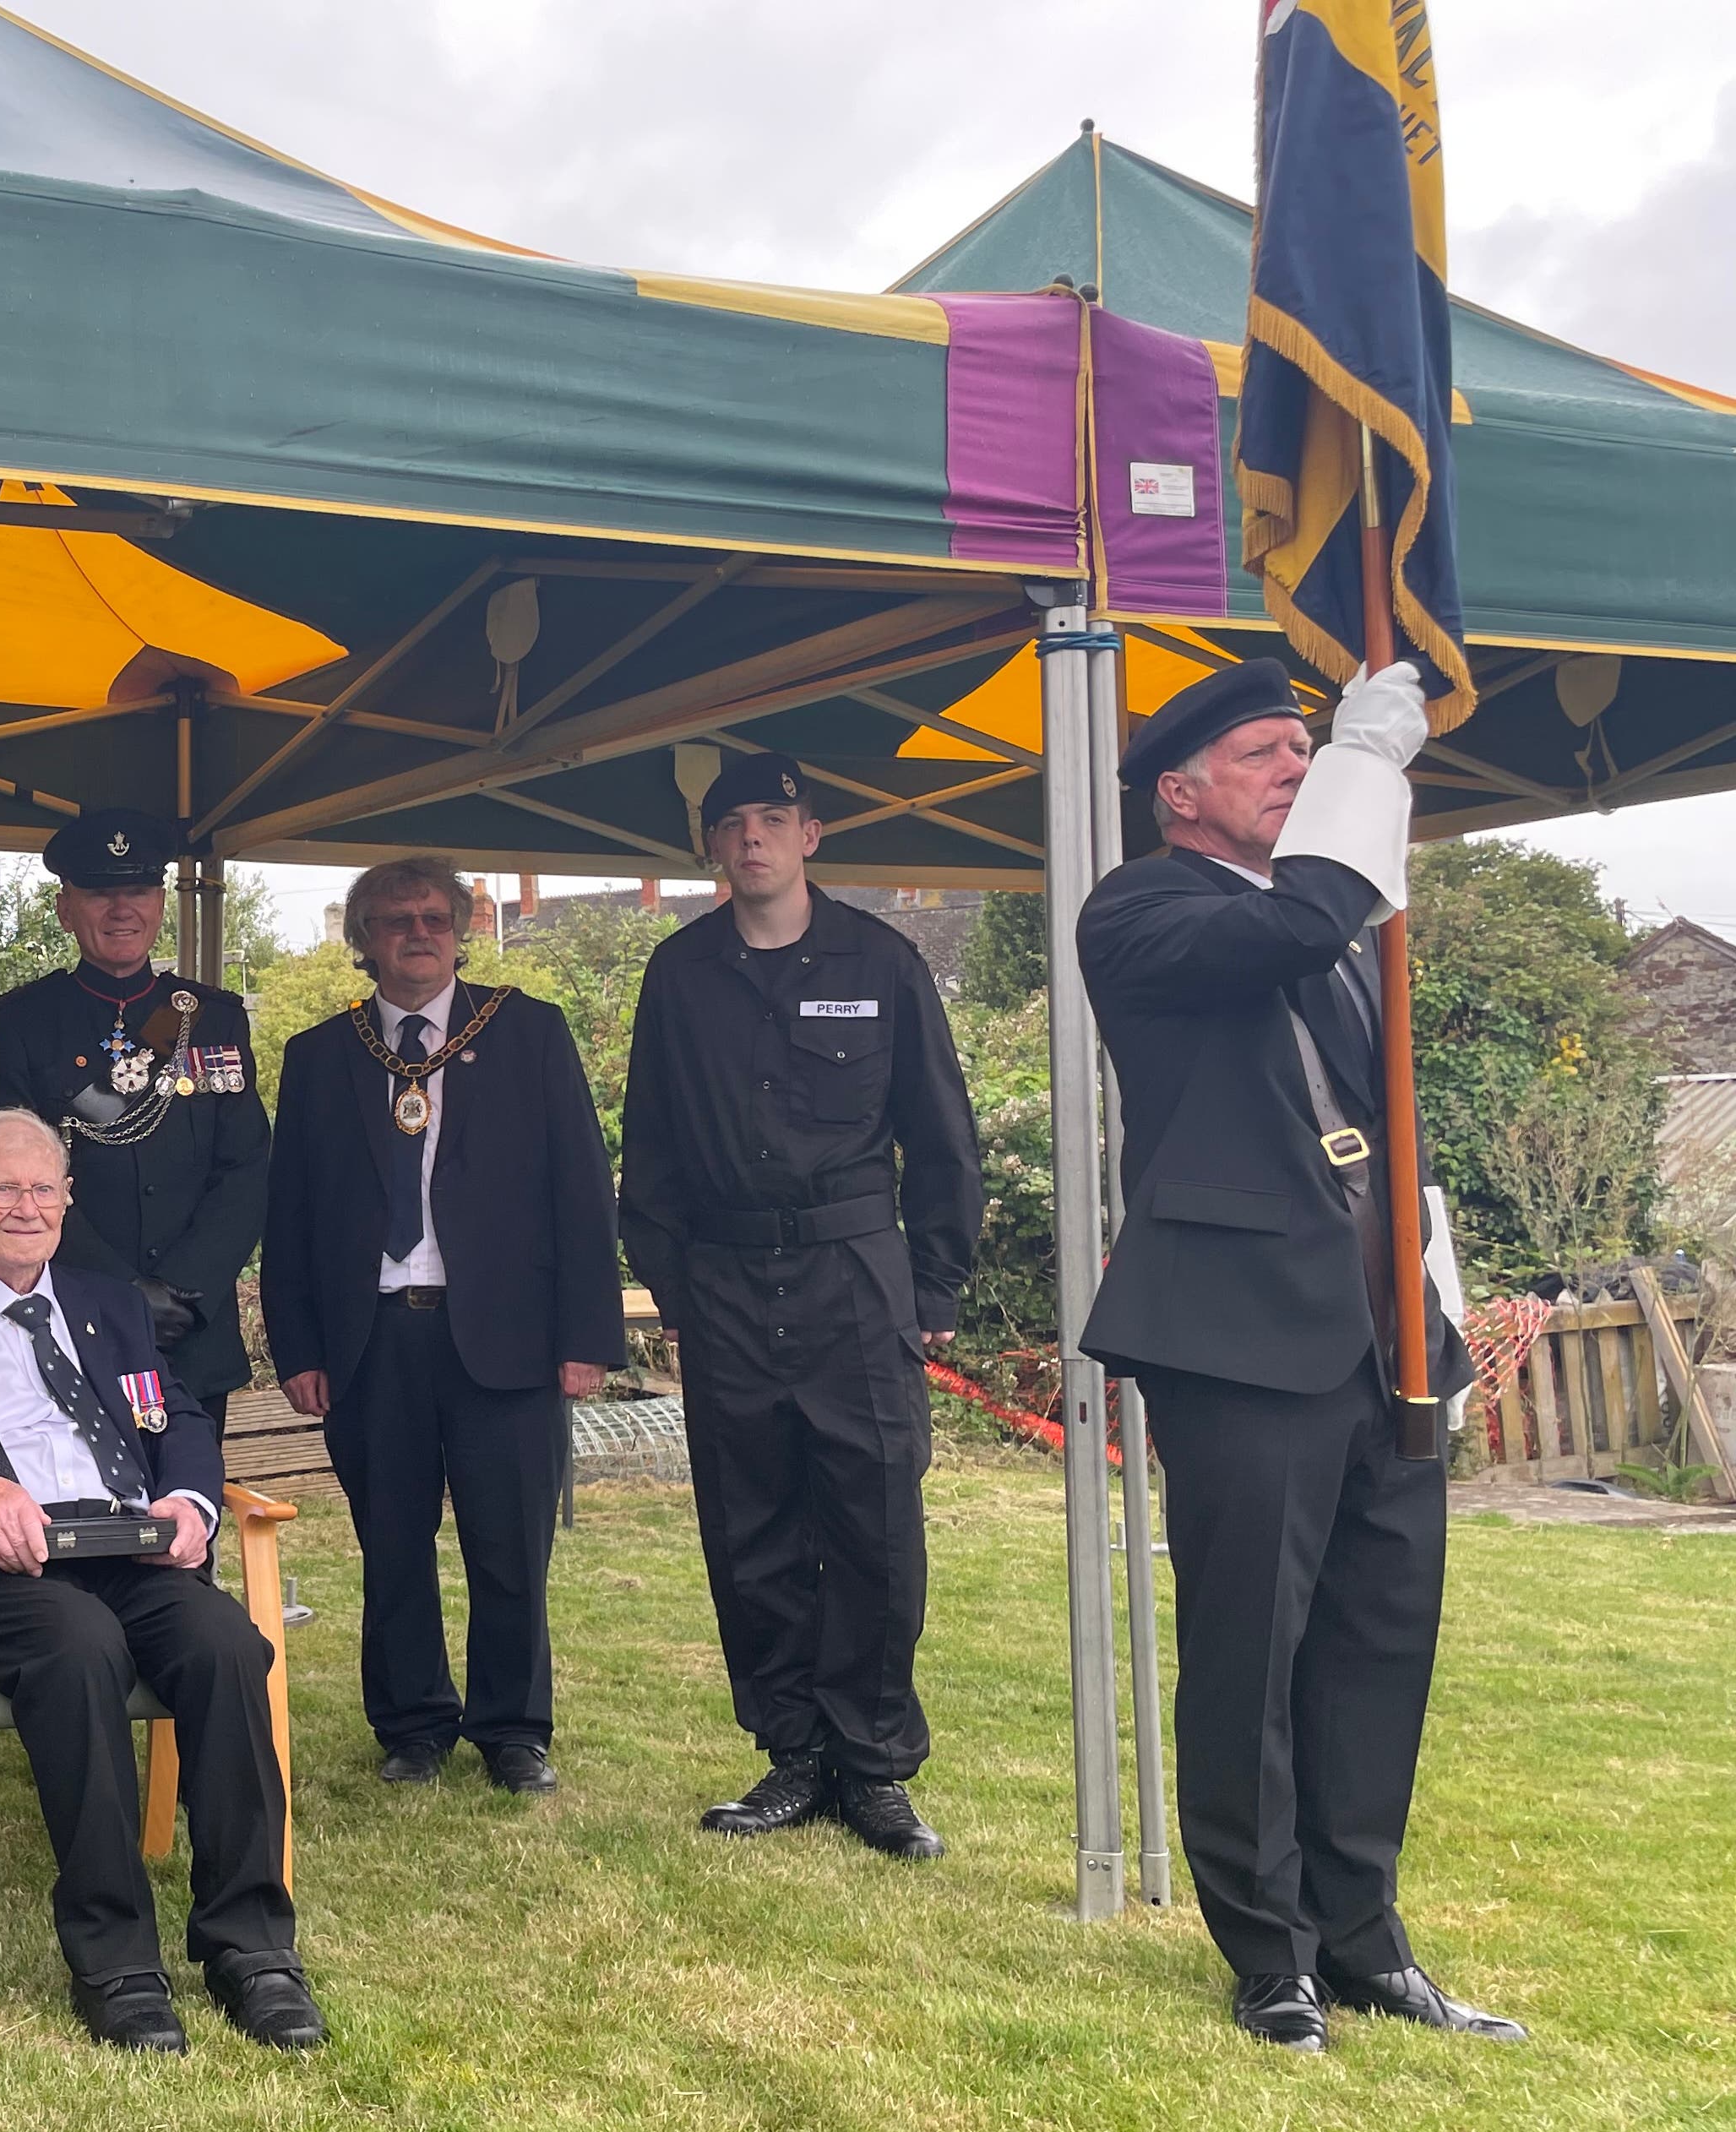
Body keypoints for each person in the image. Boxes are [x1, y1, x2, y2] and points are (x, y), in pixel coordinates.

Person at [1077, 655, 1521, 2053]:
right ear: (1178, 793)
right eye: (1265, 751)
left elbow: (1391, 1135)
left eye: (1301, 749)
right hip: (1242, 1336)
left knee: (1374, 1645)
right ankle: (1267, 1952)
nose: (1291, 764)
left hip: (1379, 1335)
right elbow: (1306, 910)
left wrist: (1436, 1318)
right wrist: (1364, 766)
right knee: (1248, 1653)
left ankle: (1364, 1934)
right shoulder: (1140, 908)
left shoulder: (1330, 932)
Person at [0, 1110, 324, 2056]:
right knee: (78, 1648)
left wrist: (186, 1503)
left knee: (224, 1643)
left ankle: (251, 1950)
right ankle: (117, 1960)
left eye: (45, 1188)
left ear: (67, 1200)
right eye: (3, 1188)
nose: (26, 1206)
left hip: (124, 1546)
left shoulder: (111, 1307)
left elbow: (176, 1423)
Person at [618, 759, 983, 1863]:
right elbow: (653, 1152)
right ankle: (791, 1753)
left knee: (873, 1523)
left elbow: (943, 1134)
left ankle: (872, 1768)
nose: (753, 840)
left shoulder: (883, 961)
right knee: (753, 1525)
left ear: (812, 833)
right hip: (727, 1285)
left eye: (773, 820)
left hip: (855, 1281)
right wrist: (678, 1287)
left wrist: (935, 1287)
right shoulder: (680, 976)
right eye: (731, 825)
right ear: (715, 847)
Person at [260, 855, 622, 1795]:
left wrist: (587, 1336)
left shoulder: (530, 1033)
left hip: (507, 1334)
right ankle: (412, 1724)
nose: (417, 933)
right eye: (394, 920)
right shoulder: (318, 1054)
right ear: (364, 939)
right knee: (393, 1541)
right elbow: (288, 1218)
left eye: (434, 918)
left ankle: (513, 1729)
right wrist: (299, 1347)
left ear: (461, 931)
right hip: (373, 1336)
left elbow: (583, 1190)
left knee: (510, 1545)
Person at [0, 806, 268, 1446]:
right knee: (74, 1519)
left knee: (189, 1527)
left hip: (190, 1325)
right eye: (100, 893)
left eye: (136, 890)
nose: (121, 910)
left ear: (160, 901)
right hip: (68, 1312)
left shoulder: (211, 1019)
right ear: (65, 908)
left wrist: (186, 1292)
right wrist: (121, 1294)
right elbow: (6, 1181)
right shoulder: (21, 1024)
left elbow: (245, 1170)